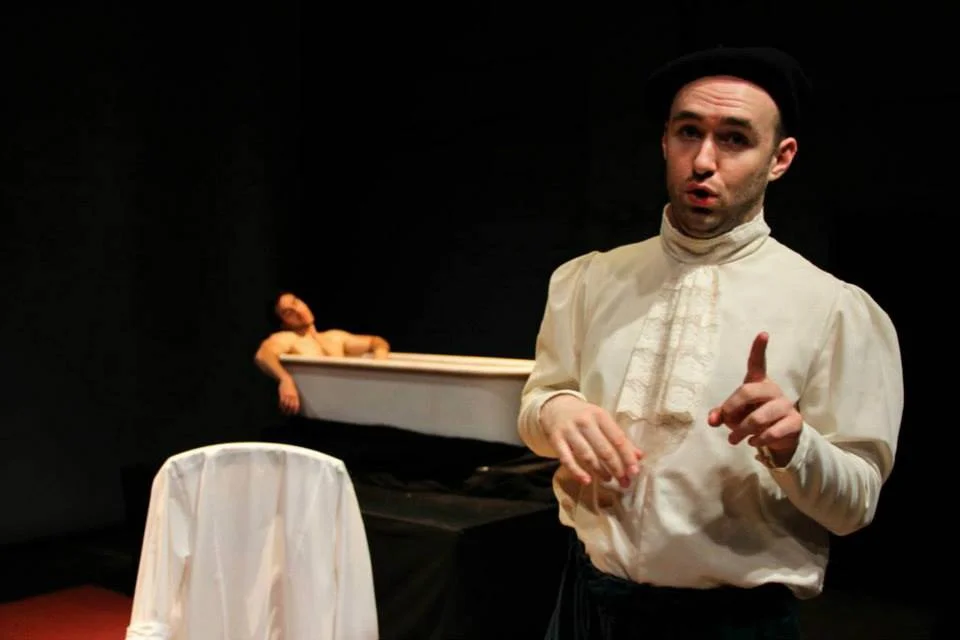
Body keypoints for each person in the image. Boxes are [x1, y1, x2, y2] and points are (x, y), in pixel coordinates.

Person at [518, 46, 903, 639]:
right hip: (586, 603)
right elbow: (537, 406)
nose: (703, 160)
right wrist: (555, 410)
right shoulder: (589, 279)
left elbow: (855, 507)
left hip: (731, 624)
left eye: (734, 139)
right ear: (664, 142)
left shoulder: (834, 309)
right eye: (688, 133)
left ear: (780, 158)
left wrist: (795, 445)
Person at [255, 292, 391, 414]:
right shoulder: (289, 338)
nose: (298, 311)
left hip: (348, 408)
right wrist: (285, 379)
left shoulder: (335, 336)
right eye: (289, 312)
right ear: (283, 324)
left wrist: (379, 365)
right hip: (316, 413)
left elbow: (377, 342)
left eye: (295, 302)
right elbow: (263, 355)